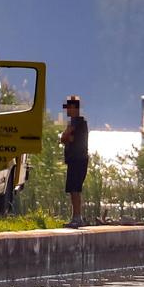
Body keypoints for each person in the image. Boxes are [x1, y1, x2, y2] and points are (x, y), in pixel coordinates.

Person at [60, 95, 89, 228]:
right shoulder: (74, 122)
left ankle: (77, 218)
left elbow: (66, 137)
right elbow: (65, 138)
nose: (67, 110)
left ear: (74, 108)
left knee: (75, 189)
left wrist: (67, 136)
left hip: (78, 160)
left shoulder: (77, 122)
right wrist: (67, 137)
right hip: (75, 160)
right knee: (73, 189)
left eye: (69, 107)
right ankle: (76, 217)